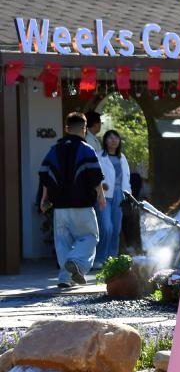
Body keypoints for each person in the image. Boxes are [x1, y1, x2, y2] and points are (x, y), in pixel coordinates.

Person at [38, 112, 105, 287]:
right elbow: (95, 176)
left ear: (66, 129)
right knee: (90, 237)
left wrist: (44, 199)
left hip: (59, 207)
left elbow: (45, 175)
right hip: (82, 205)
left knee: (62, 242)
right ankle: (75, 261)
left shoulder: (54, 150)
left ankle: (65, 278)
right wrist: (101, 196)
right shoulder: (86, 149)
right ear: (84, 129)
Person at [96, 129, 132, 265]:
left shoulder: (122, 157)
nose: (113, 140)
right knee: (106, 227)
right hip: (104, 195)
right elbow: (94, 175)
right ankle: (100, 258)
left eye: (116, 138)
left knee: (116, 228)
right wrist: (100, 186)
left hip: (119, 195)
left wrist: (128, 194)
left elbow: (126, 178)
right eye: (110, 138)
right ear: (105, 141)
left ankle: (112, 259)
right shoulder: (98, 156)